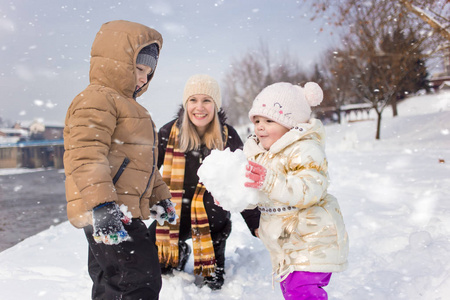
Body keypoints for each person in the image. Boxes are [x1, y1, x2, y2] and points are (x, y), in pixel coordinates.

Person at [63, 20, 177, 300]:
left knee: (111, 282)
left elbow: (142, 164)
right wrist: (103, 204)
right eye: (138, 68)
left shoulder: (130, 107)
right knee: (138, 280)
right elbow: (86, 153)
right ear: (115, 62)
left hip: (118, 209)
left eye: (149, 73)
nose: (143, 78)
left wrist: (159, 197)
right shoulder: (97, 99)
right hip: (112, 210)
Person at [149, 74, 260, 290]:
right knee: (157, 263)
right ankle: (178, 252)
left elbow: (242, 184)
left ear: (215, 105)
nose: (199, 107)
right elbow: (148, 173)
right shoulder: (168, 132)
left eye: (206, 100)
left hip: (212, 218)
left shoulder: (228, 136)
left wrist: (257, 224)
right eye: (193, 100)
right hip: (174, 213)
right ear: (186, 103)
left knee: (213, 284)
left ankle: (213, 259)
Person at [243, 82, 349, 299]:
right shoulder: (261, 154)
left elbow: (308, 189)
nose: (260, 127)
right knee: (292, 290)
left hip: (311, 238)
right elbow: (257, 194)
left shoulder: (304, 149)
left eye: (269, 120)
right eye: (257, 121)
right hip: (286, 243)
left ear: (290, 124)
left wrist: (270, 181)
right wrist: (233, 196)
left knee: (301, 291)